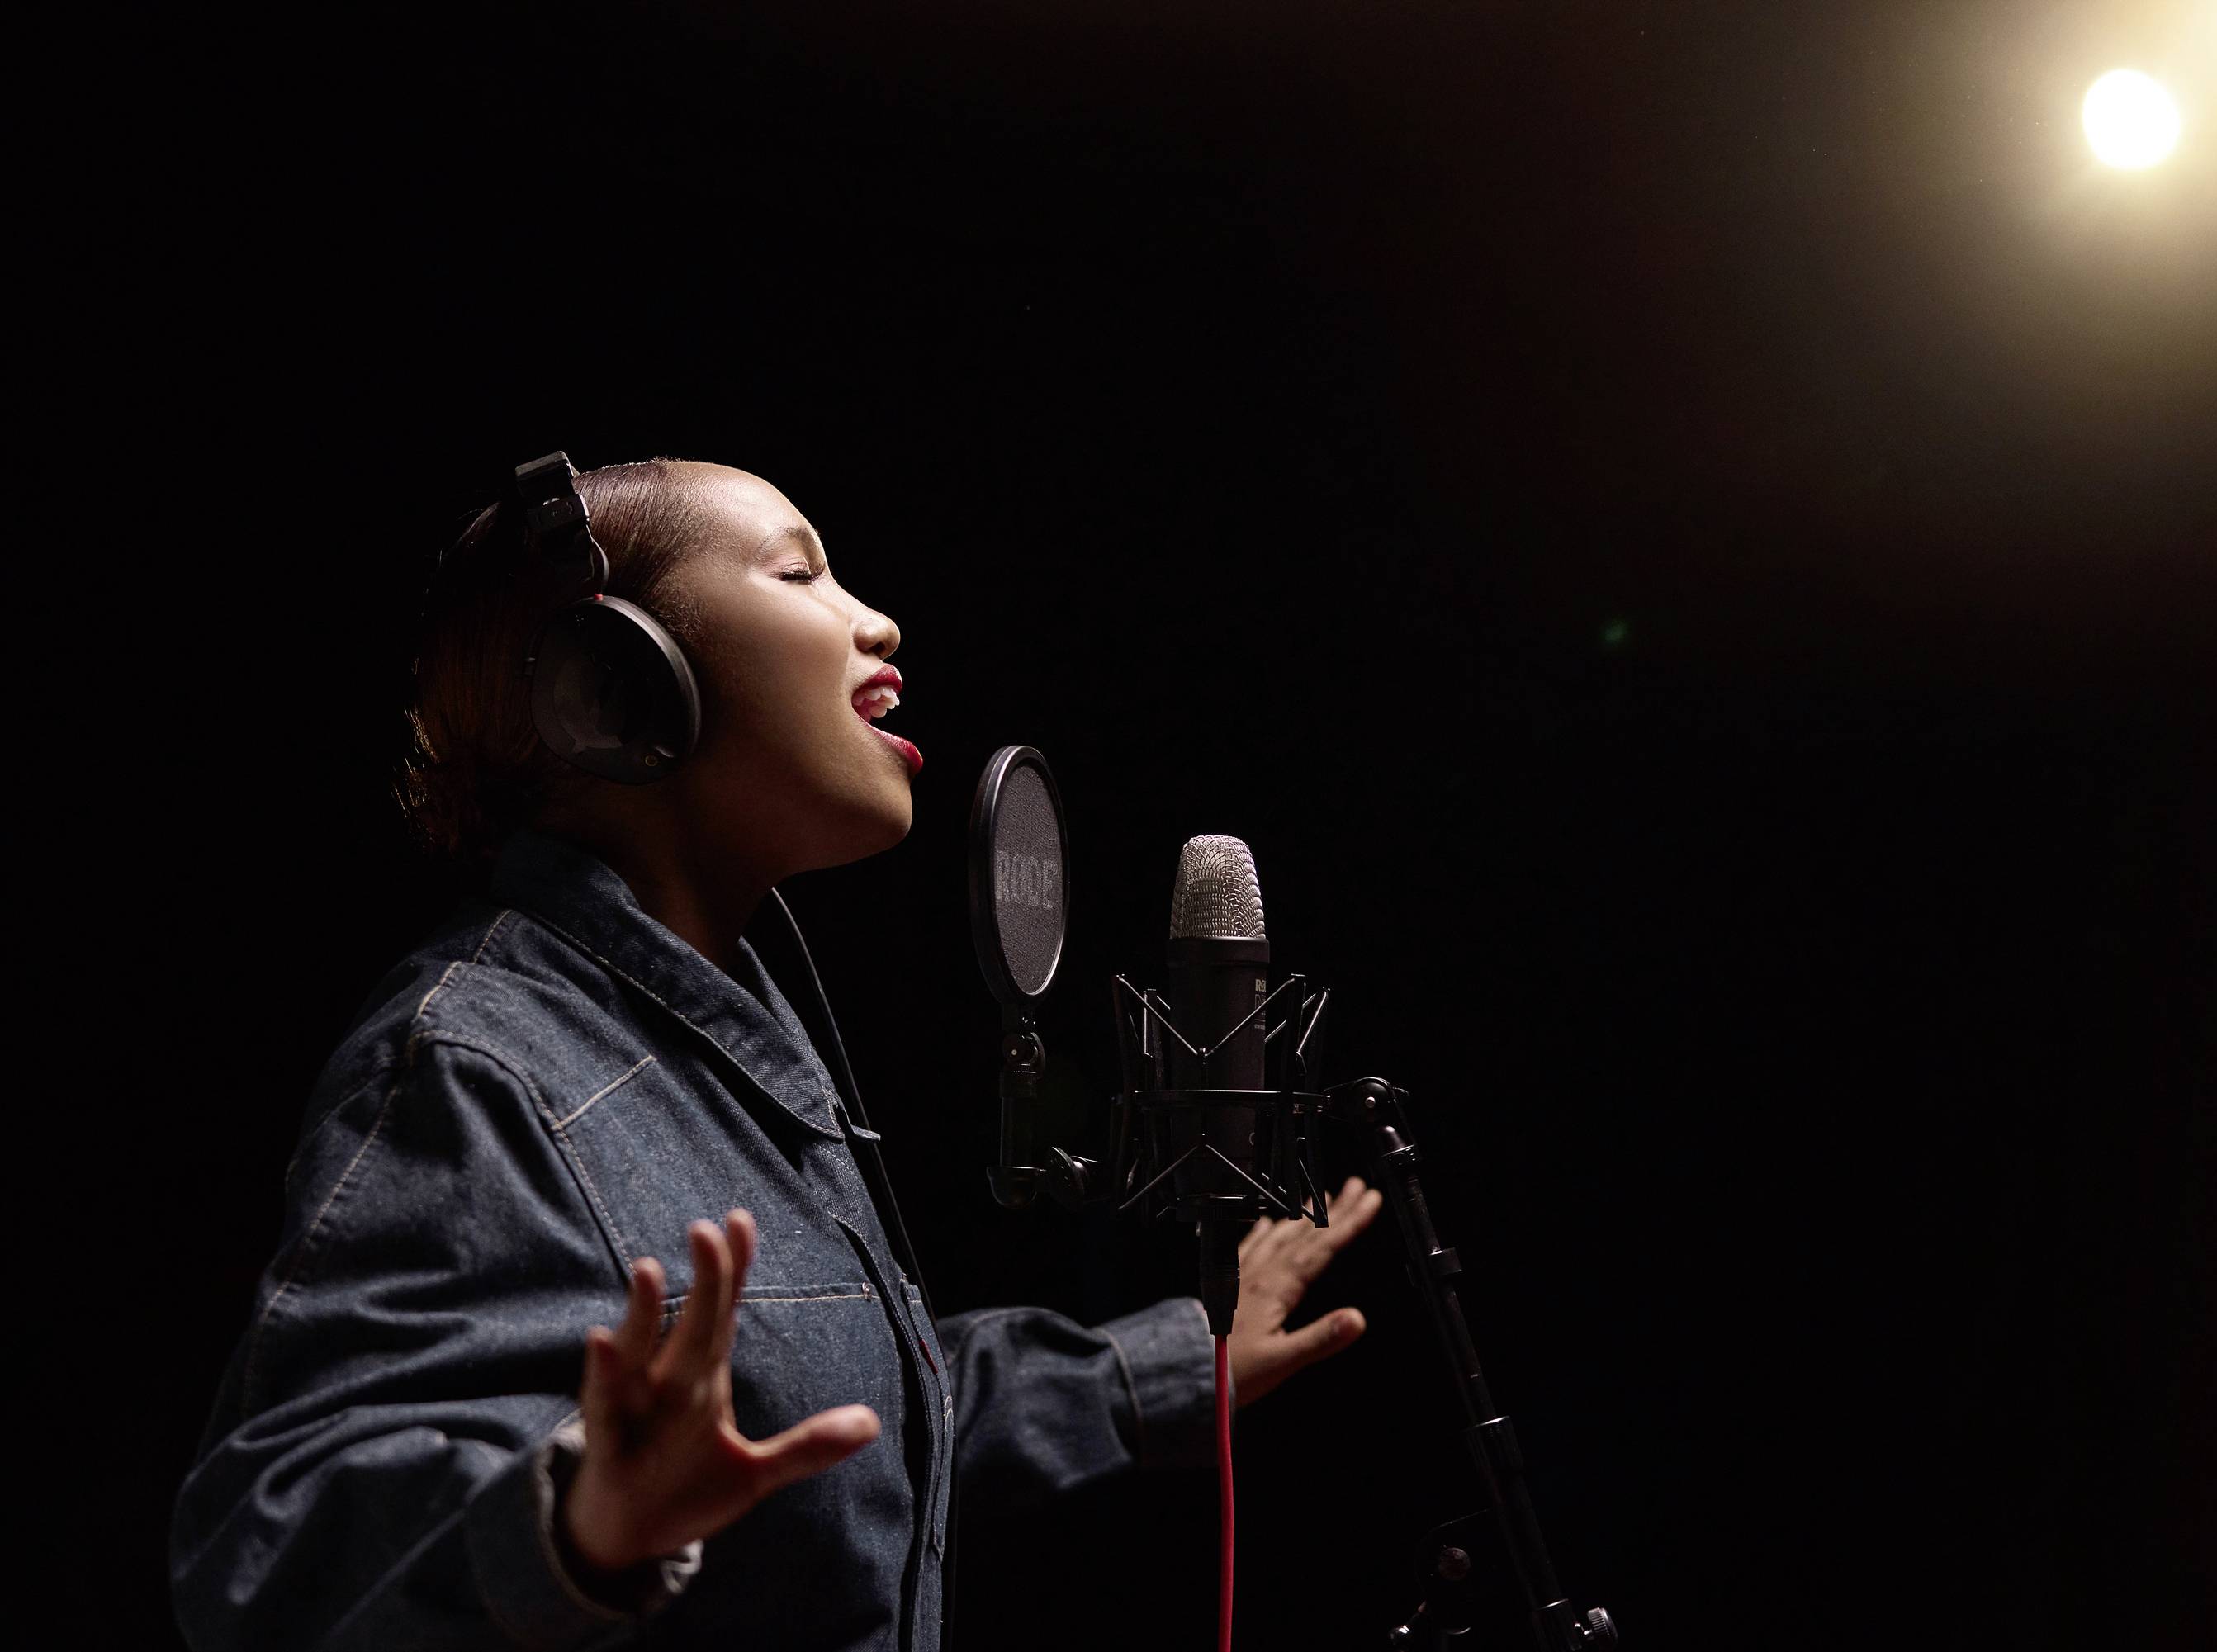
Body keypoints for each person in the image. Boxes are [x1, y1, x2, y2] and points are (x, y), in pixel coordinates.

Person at [168, 457, 1382, 1650]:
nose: (878, 620)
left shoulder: (728, 1043)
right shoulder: (478, 1068)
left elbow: (831, 1411)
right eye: (799, 571)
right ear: (618, 683)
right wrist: (572, 1529)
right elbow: (272, 1554)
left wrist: (1167, 1367)